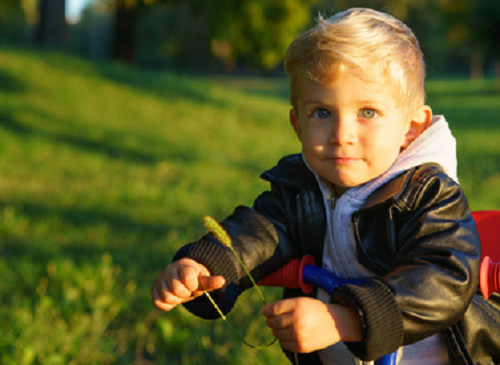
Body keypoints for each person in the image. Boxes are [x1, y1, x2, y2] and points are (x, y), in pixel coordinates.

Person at [151, 8, 500, 365]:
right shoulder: (300, 191)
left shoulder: (427, 194)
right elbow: (257, 234)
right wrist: (206, 266)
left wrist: (347, 320)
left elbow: (446, 276)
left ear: (411, 128)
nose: (341, 136)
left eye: (367, 112)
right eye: (322, 112)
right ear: (297, 124)